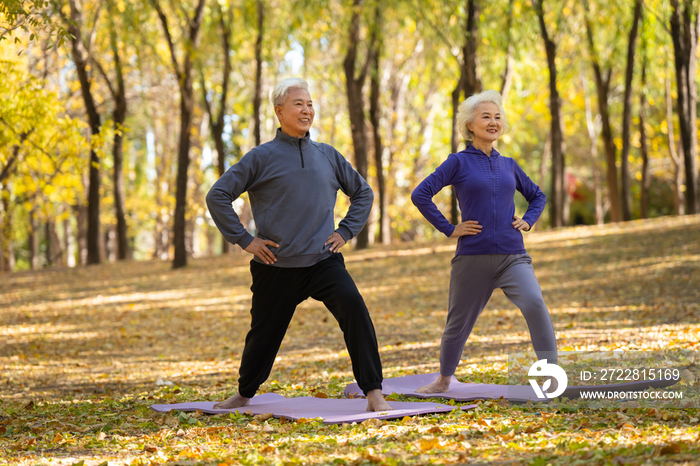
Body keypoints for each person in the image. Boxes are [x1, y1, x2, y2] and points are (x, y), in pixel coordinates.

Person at [206, 77, 391, 411]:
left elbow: (363, 192)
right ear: (279, 111)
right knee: (263, 334)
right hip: (276, 265)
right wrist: (245, 240)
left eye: (309, 104)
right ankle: (245, 392)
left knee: (354, 307)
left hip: (323, 261)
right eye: (298, 104)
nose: (307, 110)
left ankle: (374, 392)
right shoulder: (260, 157)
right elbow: (218, 195)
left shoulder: (328, 155)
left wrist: (346, 230)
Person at [410, 89, 558, 393]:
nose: (493, 122)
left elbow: (537, 196)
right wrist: (449, 228)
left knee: (535, 303)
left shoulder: (509, 165)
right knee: (457, 324)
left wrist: (528, 220)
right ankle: (443, 380)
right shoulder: (457, 162)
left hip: (512, 256)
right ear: (470, 126)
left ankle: (552, 375)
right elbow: (420, 194)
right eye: (486, 117)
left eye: (498, 117)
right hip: (472, 258)